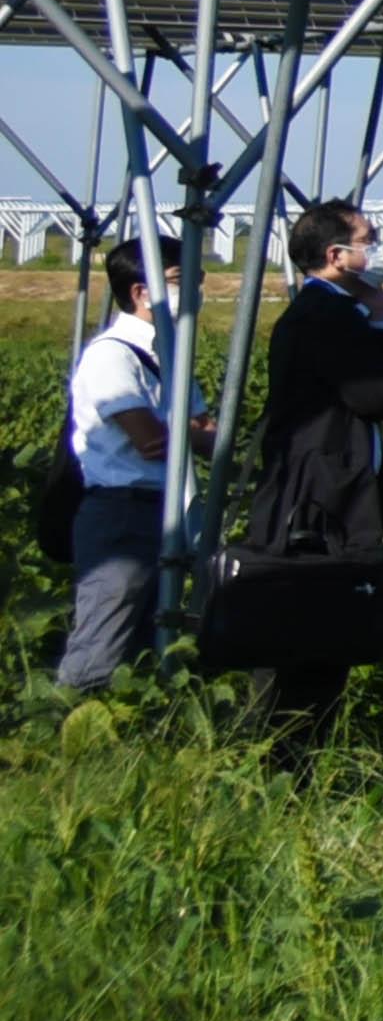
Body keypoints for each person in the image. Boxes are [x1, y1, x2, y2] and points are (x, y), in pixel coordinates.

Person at [224, 197, 383, 722]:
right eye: (369, 241)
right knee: (312, 633)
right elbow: (374, 398)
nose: (379, 252)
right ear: (337, 254)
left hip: (315, 490)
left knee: (312, 633)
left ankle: (289, 740)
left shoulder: (321, 311)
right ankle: (291, 748)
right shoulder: (330, 315)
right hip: (321, 500)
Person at [53, 240, 182, 696]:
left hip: (158, 509)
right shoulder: (113, 354)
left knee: (148, 639)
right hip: (121, 513)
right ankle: (68, 736)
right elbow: (151, 440)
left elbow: (197, 430)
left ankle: (131, 742)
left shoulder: (167, 353)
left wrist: (190, 432)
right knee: (103, 641)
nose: (194, 291)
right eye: (179, 280)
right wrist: (190, 432)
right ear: (141, 292)